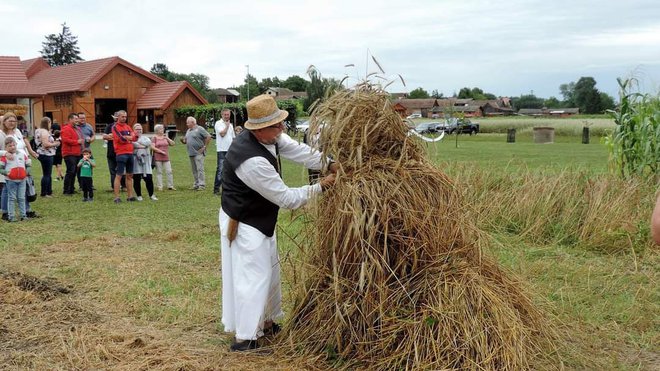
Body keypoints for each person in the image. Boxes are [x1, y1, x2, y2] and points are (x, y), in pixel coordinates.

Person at [220, 94, 338, 351]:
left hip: (260, 217)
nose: (283, 128)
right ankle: (246, 337)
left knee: (270, 271)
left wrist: (329, 164)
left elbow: (297, 149)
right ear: (260, 129)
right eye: (277, 125)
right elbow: (286, 197)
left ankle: (268, 322)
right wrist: (321, 187)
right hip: (244, 222)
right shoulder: (251, 161)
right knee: (254, 275)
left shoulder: (270, 137)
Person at [0, 112, 39, 220]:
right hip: (8, 164)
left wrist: (30, 152)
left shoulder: (17, 131)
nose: (12, 123)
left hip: (22, 162)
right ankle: (6, 212)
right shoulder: (1, 134)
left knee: (25, 187)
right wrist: (5, 153)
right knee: (7, 189)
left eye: (14, 121)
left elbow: (23, 142)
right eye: (10, 121)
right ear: (4, 121)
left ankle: (26, 210)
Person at [0, 137, 31, 221]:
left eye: (14, 145)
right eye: (10, 146)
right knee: (12, 198)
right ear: (6, 147)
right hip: (11, 181)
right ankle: (11, 216)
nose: (12, 147)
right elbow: (1, 168)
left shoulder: (22, 154)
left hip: (22, 180)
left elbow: (28, 164)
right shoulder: (4, 156)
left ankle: (23, 215)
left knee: (21, 198)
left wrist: (27, 172)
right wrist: (6, 173)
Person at [112, 110, 136, 203]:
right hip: (121, 154)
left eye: (125, 116)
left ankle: (130, 196)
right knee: (119, 175)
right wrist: (128, 138)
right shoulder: (115, 127)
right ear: (118, 117)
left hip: (130, 153)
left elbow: (134, 136)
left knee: (130, 175)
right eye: (122, 116)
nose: (124, 118)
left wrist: (129, 137)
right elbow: (120, 139)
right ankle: (117, 197)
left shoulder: (128, 126)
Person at [180, 116, 211, 191]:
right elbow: (186, 141)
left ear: (193, 122)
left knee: (199, 169)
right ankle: (196, 184)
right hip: (191, 153)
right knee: (194, 170)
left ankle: (202, 185)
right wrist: (182, 141)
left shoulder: (199, 129)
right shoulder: (188, 130)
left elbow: (208, 136)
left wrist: (204, 147)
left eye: (188, 122)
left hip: (198, 153)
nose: (186, 124)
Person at [34, 117, 60, 198]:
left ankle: (49, 191)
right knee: (47, 174)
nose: (51, 124)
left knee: (47, 174)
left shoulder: (38, 130)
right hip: (46, 154)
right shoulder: (45, 132)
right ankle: (44, 193)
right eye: (50, 122)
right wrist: (56, 144)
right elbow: (45, 144)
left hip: (41, 153)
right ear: (47, 123)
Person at [132, 123, 159, 201]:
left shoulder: (145, 138)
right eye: (137, 129)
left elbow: (148, 143)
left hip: (146, 162)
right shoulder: (132, 138)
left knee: (149, 179)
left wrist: (138, 144)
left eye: (140, 129)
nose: (139, 130)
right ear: (134, 130)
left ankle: (151, 195)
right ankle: (139, 195)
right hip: (136, 162)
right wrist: (139, 145)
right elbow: (132, 145)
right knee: (136, 179)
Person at [213, 109, 235, 195]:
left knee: (230, 169)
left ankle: (228, 188)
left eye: (228, 114)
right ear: (221, 115)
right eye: (225, 114)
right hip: (222, 150)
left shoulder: (231, 125)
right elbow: (222, 134)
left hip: (230, 150)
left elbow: (233, 138)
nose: (227, 116)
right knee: (220, 169)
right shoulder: (218, 123)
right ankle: (216, 189)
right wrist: (227, 126)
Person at [60, 113, 83, 195]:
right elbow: (65, 140)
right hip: (69, 153)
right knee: (70, 171)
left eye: (77, 118)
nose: (77, 120)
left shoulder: (76, 128)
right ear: (70, 119)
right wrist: (77, 142)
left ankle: (71, 189)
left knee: (74, 172)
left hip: (77, 153)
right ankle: (66, 190)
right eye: (76, 119)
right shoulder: (66, 128)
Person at [151, 124, 175, 191]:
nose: (163, 130)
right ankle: (160, 186)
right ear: (157, 130)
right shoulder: (154, 138)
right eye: (161, 129)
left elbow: (173, 144)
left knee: (169, 171)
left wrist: (167, 138)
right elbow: (152, 147)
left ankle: (170, 186)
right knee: (159, 172)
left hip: (166, 157)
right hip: (158, 157)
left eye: (163, 128)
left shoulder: (165, 137)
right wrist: (160, 151)